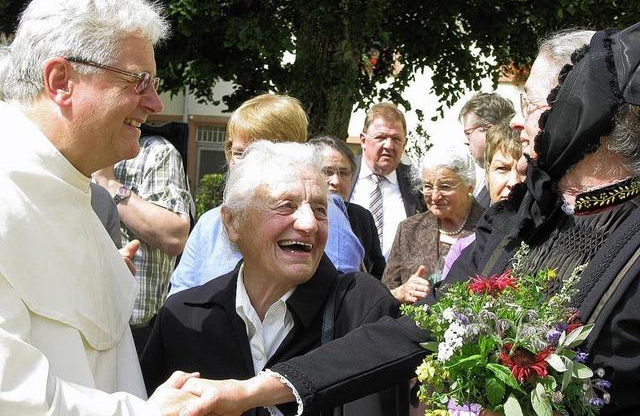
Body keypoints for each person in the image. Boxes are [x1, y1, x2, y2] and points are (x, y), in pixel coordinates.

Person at [175, 27, 640, 416]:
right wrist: (250, 390)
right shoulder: (522, 219)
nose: (518, 125)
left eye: (534, 106)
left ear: (585, 112)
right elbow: (417, 332)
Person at [0, 0, 213, 414]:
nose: (153, 104)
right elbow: (13, 394)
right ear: (61, 82)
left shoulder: (75, 193)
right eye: (138, 81)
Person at [142, 141, 408, 416]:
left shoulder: (361, 308)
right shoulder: (185, 318)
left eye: (320, 209)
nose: (309, 224)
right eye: (286, 206)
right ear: (233, 222)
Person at [168, 94, 364, 296]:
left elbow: (340, 306)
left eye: (262, 155)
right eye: (240, 153)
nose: (247, 165)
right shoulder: (210, 224)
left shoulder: (324, 221)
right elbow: (180, 303)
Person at [94, 134, 193, 355]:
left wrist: (109, 183)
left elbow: (174, 236)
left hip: (136, 332)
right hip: (77, 325)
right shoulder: (65, 151)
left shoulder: (154, 152)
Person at [382, 145, 484, 304]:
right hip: (410, 326)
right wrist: (402, 292)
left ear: (469, 186)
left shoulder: (487, 228)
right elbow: (384, 295)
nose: (435, 196)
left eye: (445, 186)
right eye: (428, 186)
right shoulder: (409, 229)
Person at [441, 118, 523, 278]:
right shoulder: (462, 252)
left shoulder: (553, 246)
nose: (513, 182)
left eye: (523, 171)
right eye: (502, 168)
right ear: (487, 175)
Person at [348, 102, 425, 260]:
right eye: (381, 137)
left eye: (396, 139)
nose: (389, 145)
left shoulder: (417, 183)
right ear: (363, 140)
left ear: (405, 143)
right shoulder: (343, 175)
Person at [309, 135, 386, 279]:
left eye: (343, 173)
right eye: (327, 171)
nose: (336, 181)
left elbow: (378, 272)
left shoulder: (362, 217)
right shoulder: (298, 216)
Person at [459, 93, 515, 208]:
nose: (466, 141)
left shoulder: (519, 175)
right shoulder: (482, 179)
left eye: (468, 133)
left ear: (490, 130)